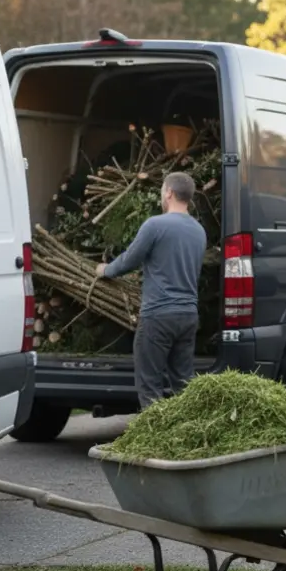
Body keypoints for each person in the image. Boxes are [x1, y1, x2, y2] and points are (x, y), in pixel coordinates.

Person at [96, 171, 207, 410]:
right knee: (183, 383)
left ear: (168, 192)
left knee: (149, 383)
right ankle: (187, 434)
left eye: (162, 192)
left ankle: (154, 437)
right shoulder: (199, 231)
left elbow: (128, 261)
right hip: (188, 315)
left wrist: (105, 270)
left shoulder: (155, 225)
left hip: (159, 315)